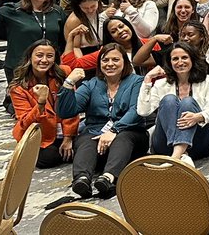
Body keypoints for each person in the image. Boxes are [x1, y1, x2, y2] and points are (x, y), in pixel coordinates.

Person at [56, 43, 147, 198]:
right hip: (96, 133)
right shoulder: (92, 84)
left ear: (124, 62)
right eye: (105, 60)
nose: (110, 64)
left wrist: (114, 130)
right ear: (99, 64)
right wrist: (68, 84)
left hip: (130, 133)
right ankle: (82, 179)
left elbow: (136, 110)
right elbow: (66, 111)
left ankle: (108, 178)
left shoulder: (137, 82)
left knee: (123, 138)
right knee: (85, 139)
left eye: (115, 60)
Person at [0, 0, 66, 115]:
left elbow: (64, 38)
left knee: (50, 106)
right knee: (26, 107)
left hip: (48, 64)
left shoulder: (56, 12)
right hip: (19, 66)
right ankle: (10, 102)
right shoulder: (12, 10)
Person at [137, 42, 209, 166]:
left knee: (188, 102)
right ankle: (181, 155)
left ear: (192, 59)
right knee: (169, 99)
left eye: (184, 57)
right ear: (170, 63)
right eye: (175, 59)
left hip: (199, 142)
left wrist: (197, 117)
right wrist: (148, 79)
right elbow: (143, 111)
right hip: (165, 145)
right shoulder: (161, 84)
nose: (180, 62)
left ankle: (175, 158)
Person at [10, 40, 77, 167]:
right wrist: (40, 103)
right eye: (39, 55)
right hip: (41, 135)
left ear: (54, 59)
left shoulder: (64, 73)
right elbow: (25, 122)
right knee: (49, 158)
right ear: (30, 57)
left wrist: (68, 137)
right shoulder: (18, 88)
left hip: (63, 129)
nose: (44, 60)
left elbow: (71, 108)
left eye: (49, 56)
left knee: (84, 148)